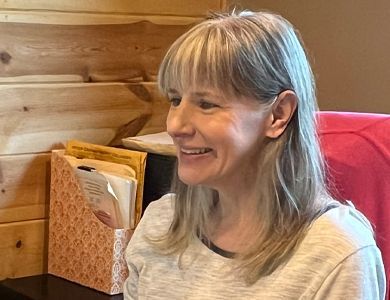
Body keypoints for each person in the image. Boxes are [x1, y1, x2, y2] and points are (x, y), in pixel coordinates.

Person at [124, 10, 386, 299]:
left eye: (207, 104)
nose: (175, 126)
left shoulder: (336, 255)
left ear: (278, 114)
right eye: (175, 99)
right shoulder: (160, 220)